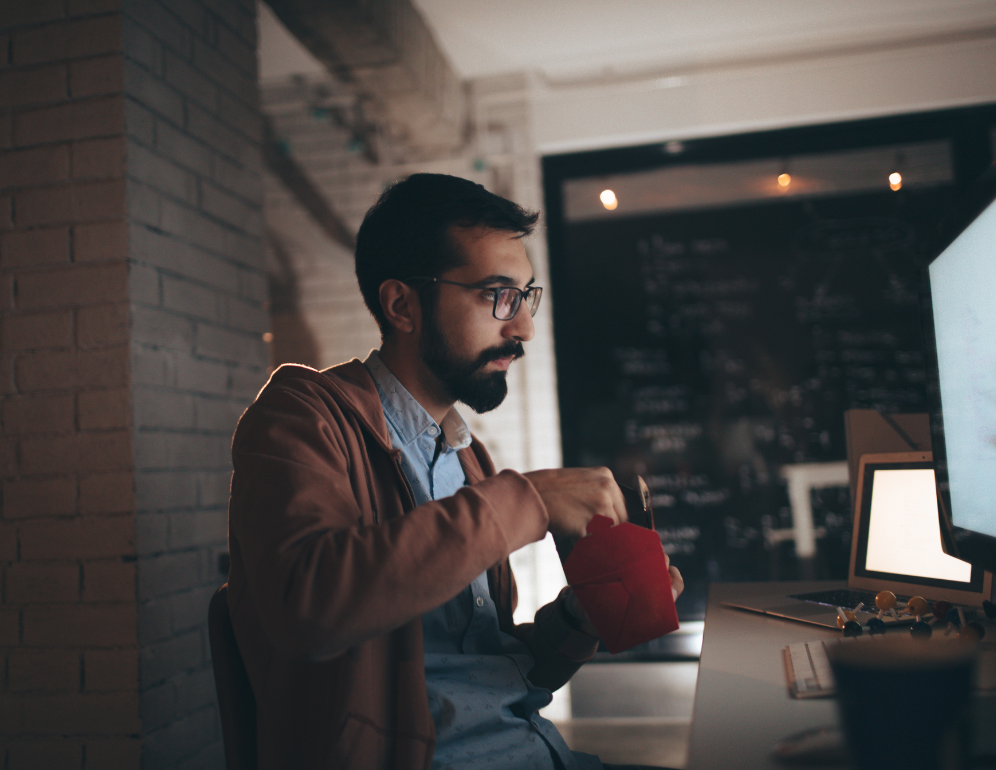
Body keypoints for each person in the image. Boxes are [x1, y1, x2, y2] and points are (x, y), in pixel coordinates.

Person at [226, 173, 684, 770]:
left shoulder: (466, 457)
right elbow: (306, 606)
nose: (521, 327)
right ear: (402, 305)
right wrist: (530, 499)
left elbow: (480, 670)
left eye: (525, 296)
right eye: (497, 295)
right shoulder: (301, 414)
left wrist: (577, 619)